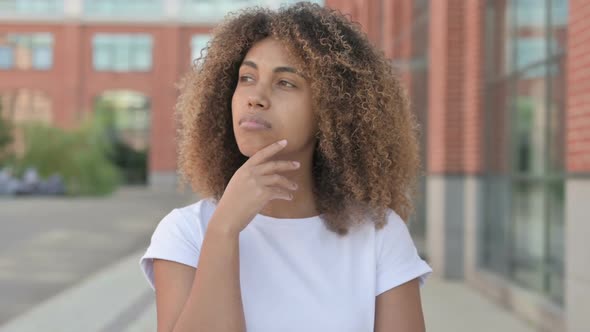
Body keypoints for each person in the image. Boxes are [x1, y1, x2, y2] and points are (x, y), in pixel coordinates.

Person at [140, 2, 432, 331]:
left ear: (332, 110)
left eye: (286, 83)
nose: (255, 97)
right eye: (247, 78)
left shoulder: (380, 235)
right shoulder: (186, 232)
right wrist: (223, 231)